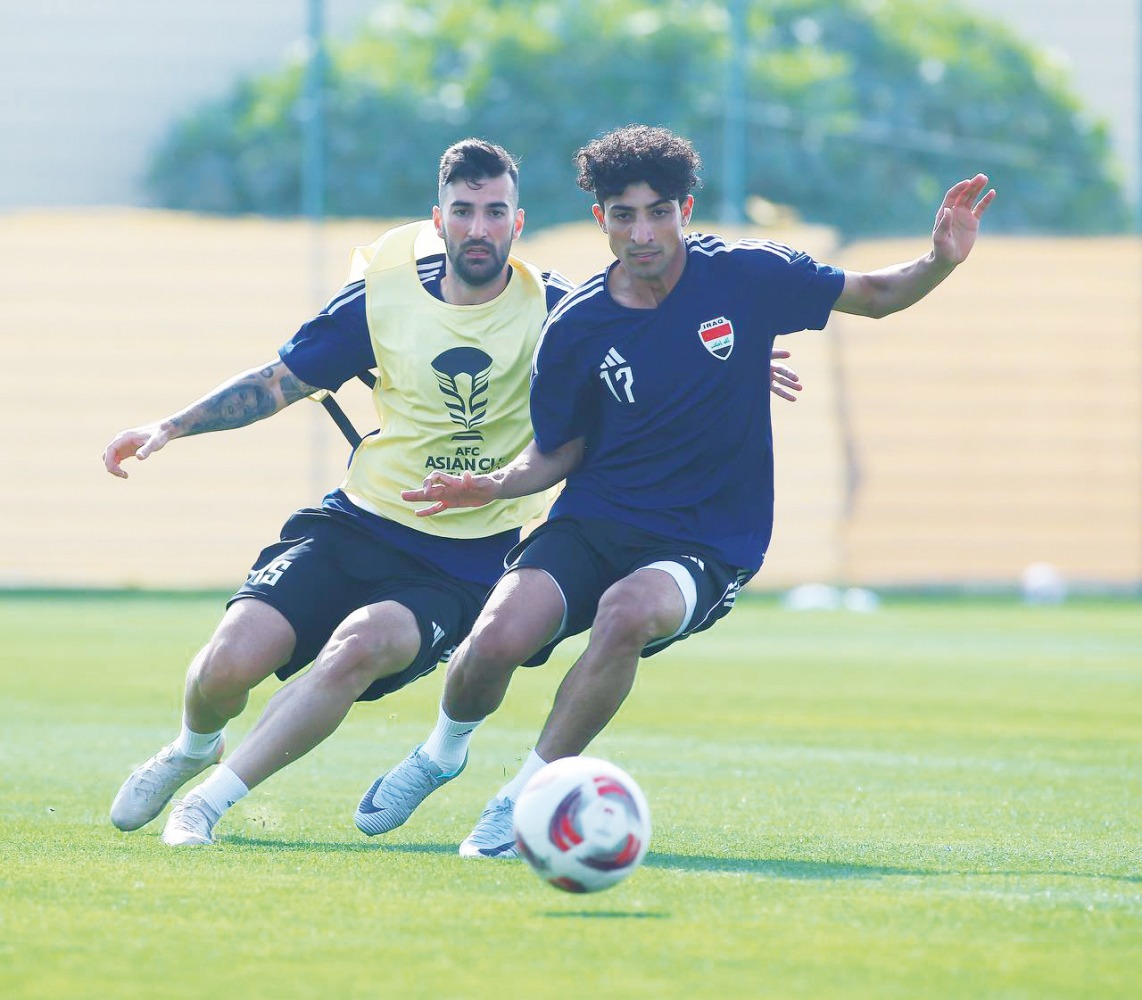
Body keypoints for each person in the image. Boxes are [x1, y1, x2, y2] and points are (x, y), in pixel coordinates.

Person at [104, 137, 802, 847]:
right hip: (356, 521)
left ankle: (208, 805)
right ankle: (193, 749)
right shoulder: (380, 296)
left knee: (357, 648)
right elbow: (282, 381)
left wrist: (734, 361)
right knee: (226, 666)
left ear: (517, 223)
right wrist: (173, 424)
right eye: (462, 211)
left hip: (465, 561)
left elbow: (654, 339)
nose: (478, 227)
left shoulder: (558, 310)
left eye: (494, 212)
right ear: (437, 221)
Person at [357, 124, 996, 858]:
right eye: (623, 215)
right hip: (594, 523)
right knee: (495, 638)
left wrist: (940, 260)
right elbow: (557, 451)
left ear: (685, 209)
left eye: (659, 211)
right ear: (601, 221)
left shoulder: (749, 276)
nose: (643, 231)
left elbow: (878, 295)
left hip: (707, 540)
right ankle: (442, 752)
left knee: (627, 613)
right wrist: (492, 485)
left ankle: (526, 797)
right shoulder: (576, 328)